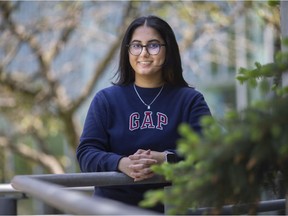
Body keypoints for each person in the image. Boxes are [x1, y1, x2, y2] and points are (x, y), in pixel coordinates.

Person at [76, 15, 211, 213]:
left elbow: (209, 151)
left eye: (153, 45)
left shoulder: (190, 100)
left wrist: (164, 159)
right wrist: (121, 163)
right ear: (128, 50)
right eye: (136, 45)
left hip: (171, 210)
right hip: (111, 210)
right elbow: (86, 153)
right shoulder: (105, 100)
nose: (144, 53)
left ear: (168, 49)